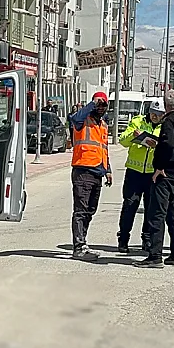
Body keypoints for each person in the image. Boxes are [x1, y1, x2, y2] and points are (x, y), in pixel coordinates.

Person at [138, 90, 174, 268]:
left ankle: (155, 256)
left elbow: (169, 144)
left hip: (166, 173)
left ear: (166, 105)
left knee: (157, 214)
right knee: (173, 214)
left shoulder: (168, 122)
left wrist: (159, 166)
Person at [116, 98, 164, 254]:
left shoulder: (165, 127)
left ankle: (147, 238)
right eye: (153, 113)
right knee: (130, 205)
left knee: (151, 208)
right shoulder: (137, 121)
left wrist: (156, 145)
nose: (155, 116)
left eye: (158, 114)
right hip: (134, 172)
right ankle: (123, 239)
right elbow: (123, 141)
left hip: (152, 173)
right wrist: (133, 135)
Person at [69, 92, 112, 261]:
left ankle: (83, 243)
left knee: (90, 210)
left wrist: (108, 170)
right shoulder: (82, 121)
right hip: (83, 170)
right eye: (98, 105)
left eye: (103, 105)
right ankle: (78, 247)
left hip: (97, 172)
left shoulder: (103, 125)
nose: (100, 108)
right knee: (80, 210)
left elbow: (104, 149)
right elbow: (75, 117)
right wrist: (91, 103)